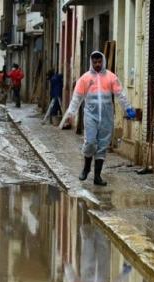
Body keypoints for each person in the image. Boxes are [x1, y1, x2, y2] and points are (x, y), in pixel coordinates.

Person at [59, 51, 136, 186]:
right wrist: (70, 113)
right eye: (95, 62)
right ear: (91, 62)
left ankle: (97, 176)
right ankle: (86, 167)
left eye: (99, 62)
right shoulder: (85, 78)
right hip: (91, 114)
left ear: (103, 61)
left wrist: (128, 108)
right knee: (90, 142)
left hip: (106, 115)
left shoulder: (111, 77)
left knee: (102, 145)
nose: (97, 64)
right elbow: (76, 98)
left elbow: (120, 94)